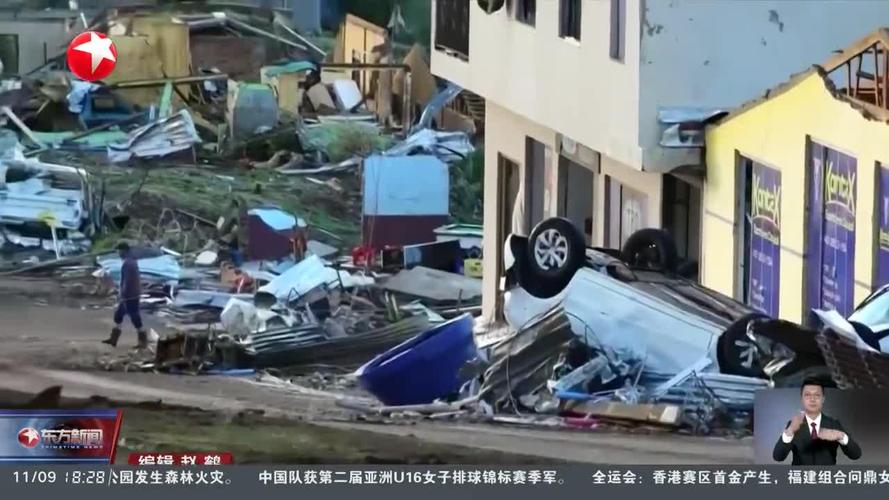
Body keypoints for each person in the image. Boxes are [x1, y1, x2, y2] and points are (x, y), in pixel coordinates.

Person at [772, 377, 861, 465]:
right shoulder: (793, 425)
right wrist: (789, 431)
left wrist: (841, 436)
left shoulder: (833, 424)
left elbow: (856, 455)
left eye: (817, 395)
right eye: (807, 395)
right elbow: (778, 457)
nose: (812, 399)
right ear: (802, 399)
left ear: (823, 399)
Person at [102, 242, 148, 349]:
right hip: (131, 293)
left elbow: (127, 281)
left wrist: (122, 294)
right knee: (118, 315)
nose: (118, 253)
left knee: (135, 317)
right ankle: (113, 339)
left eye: (119, 251)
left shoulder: (128, 263)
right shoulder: (131, 261)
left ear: (123, 250)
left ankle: (143, 341)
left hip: (130, 295)